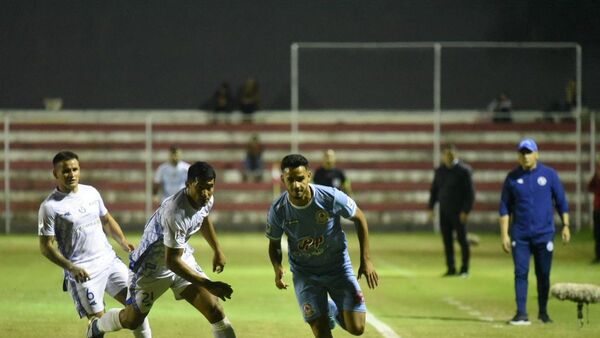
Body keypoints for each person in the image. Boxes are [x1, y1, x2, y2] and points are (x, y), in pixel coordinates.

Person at [87, 161, 236, 338]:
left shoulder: (206, 199)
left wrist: (217, 249)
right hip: (151, 267)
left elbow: (202, 217)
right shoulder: (175, 212)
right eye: (200, 188)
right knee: (132, 320)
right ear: (188, 184)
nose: (205, 193)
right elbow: (171, 261)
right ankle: (97, 326)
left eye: (210, 188)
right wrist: (209, 285)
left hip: (180, 255)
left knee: (215, 309)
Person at [38, 151, 151, 337]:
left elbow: (106, 219)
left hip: (109, 261)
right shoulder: (50, 207)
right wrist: (71, 267)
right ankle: (95, 329)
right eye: (66, 171)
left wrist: (122, 241)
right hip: (83, 272)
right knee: (100, 325)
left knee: (137, 308)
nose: (71, 174)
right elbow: (45, 246)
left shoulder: (91, 192)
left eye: (75, 169)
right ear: (55, 174)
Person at [266, 154, 378, 338]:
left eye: (300, 179)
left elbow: (359, 217)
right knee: (321, 331)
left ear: (309, 176)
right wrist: (277, 266)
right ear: (283, 180)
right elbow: (274, 244)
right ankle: (323, 312)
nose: (296, 185)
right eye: (290, 180)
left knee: (357, 329)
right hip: (305, 274)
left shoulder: (330, 197)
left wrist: (366, 259)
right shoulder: (278, 210)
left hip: (338, 268)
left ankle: (332, 310)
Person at [499, 138, 570, 325]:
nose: (525, 156)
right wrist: (504, 234)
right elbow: (504, 208)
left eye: (529, 152)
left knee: (543, 274)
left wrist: (566, 225)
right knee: (520, 273)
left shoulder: (549, 175)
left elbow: (561, 202)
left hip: (544, 234)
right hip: (520, 235)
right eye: (522, 153)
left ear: (536, 154)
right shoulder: (512, 178)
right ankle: (521, 313)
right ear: (518, 156)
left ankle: (543, 312)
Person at [428, 144, 475, 277]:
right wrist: (431, 208)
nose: (448, 156)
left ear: (456, 154)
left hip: (459, 212)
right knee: (447, 241)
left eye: (451, 154)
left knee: (462, 240)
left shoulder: (464, 171)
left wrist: (466, 210)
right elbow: (434, 190)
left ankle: (465, 269)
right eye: (446, 154)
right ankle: (451, 268)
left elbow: (470, 193)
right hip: (444, 212)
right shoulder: (440, 171)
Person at [313, 149, 353, 228]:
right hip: (321, 203)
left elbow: (346, 185)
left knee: (335, 224)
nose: (329, 159)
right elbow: (313, 186)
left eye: (330, 156)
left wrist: (349, 197)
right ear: (323, 158)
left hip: (335, 203)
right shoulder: (318, 172)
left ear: (334, 158)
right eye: (327, 156)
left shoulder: (339, 172)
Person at [587, 157, 600, 263]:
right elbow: (589, 187)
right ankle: (598, 256)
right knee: (597, 233)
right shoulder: (597, 175)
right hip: (597, 209)